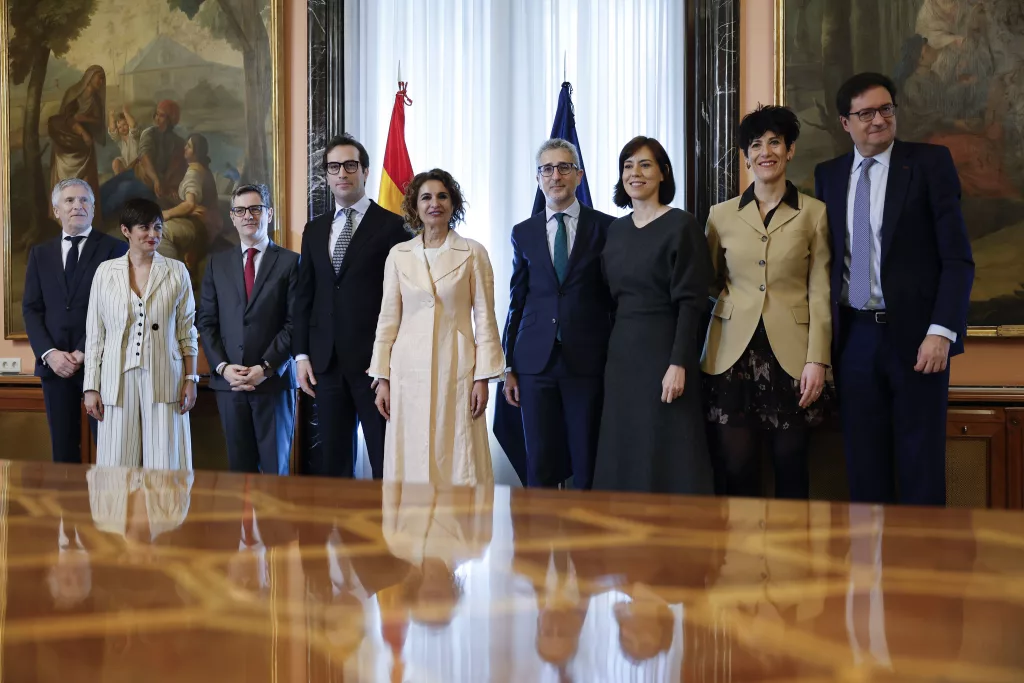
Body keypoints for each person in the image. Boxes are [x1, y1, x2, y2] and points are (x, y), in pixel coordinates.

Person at [814, 73, 974, 505]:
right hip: (855, 339)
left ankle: (924, 552)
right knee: (864, 469)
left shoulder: (929, 164)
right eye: (866, 113)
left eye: (886, 109)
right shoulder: (828, 175)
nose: (879, 120)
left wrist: (941, 332)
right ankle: (869, 553)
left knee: (921, 468)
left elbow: (957, 259)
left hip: (918, 340)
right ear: (845, 122)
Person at [701, 105, 831, 500]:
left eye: (775, 142)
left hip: (792, 357)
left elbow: (820, 291)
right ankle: (739, 543)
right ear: (746, 157)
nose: (765, 152)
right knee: (736, 468)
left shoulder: (814, 213)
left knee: (791, 466)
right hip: (731, 356)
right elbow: (709, 280)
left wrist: (818, 359)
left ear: (790, 150)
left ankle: (792, 543)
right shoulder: (720, 215)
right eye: (755, 145)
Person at [593, 136, 714, 495]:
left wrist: (679, 363)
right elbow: (608, 296)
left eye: (645, 164)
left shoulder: (682, 225)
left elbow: (692, 302)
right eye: (628, 166)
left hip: (665, 351)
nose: (635, 173)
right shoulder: (615, 230)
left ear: (663, 173)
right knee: (624, 443)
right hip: (622, 355)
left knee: (668, 445)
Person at [368, 169, 505, 486]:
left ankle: (459, 519)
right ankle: (413, 519)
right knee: (411, 455)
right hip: (407, 372)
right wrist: (382, 379)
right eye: (426, 197)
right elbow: (387, 320)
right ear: (415, 206)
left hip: (457, 368)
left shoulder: (473, 252)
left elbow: (485, 319)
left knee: (458, 455)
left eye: (442, 196)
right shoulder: (399, 255)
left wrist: (483, 378)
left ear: (453, 203)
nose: (435, 204)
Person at [292, 134, 410, 478]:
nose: (342, 173)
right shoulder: (314, 230)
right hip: (325, 365)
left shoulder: (394, 227)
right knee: (333, 465)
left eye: (349, 165)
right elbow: (304, 296)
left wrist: (391, 362)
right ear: (326, 176)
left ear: (365, 171)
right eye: (334, 167)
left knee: (385, 461)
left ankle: (388, 516)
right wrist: (301, 355)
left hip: (374, 366)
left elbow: (403, 300)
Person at [502, 139, 615, 489]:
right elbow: (517, 300)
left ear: (578, 175)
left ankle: (585, 526)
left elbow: (614, 297)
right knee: (540, 463)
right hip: (534, 362)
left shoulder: (607, 228)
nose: (556, 176)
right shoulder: (523, 232)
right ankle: (540, 525)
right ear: (538, 179)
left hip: (587, 360)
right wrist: (508, 365)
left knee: (587, 461)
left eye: (564, 167)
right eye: (547, 169)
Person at [83, 198, 200, 470]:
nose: (153, 234)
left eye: (157, 227)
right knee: (116, 464)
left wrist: (191, 379)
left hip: (165, 377)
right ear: (126, 230)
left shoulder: (176, 271)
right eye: (144, 227)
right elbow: (95, 335)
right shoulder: (105, 273)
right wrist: (91, 387)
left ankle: (165, 502)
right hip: (116, 379)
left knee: (166, 464)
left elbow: (187, 331)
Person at [23, 179, 128, 464]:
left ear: (93, 209)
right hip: (54, 367)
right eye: (69, 200)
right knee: (63, 453)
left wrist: (83, 352)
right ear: (56, 210)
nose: (77, 206)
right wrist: (50, 354)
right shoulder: (40, 254)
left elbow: (117, 308)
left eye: (84, 200)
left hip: (102, 366)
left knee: (110, 452)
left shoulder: (116, 250)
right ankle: (65, 498)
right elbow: (31, 309)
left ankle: (111, 497)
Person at [197, 183, 299, 475]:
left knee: (275, 472)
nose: (248, 216)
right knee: (239, 474)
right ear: (232, 217)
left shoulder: (291, 262)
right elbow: (207, 321)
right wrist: (223, 367)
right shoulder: (217, 264)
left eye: (255, 209)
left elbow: (295, 322)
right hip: (229, 385)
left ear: (269, 214)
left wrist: (265, 367)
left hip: (273, 383)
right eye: (240, 210)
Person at [48, 65, 107, 205]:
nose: (101, 82)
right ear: (90, 77)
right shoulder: (73, 93)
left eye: (103, 79)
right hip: (67, 147)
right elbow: (67, 117)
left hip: (84, 148)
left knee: (85, 185)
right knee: (65, 186)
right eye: (99, 78)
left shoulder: (95, 100)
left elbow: (98, 121)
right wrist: (82, 131)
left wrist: (84, 119)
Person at [161, 133, 220, 265]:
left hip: (200, 226)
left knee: (159, 230)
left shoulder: (194, 172)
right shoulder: (203, 169)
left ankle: (174, 270)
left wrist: (165, 214)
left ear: (196, 152)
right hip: (204, 223)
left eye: (189, 146)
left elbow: (189, 204)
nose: (185, 148)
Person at [136, 99, 187, 199]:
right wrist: (155, 179)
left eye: (161, 116)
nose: (157, 118)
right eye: (156, 114)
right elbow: (145, 157)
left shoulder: (179, 142)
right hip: (146, 176)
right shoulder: (148, 133)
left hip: (165, 182)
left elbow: (177, 167)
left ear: (170, 120)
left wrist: (171, 186)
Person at [107, 105, 140, 174]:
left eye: (124, 124)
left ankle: (125, 177)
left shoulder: (133, 135)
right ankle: (119, 178)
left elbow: (133, 126)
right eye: (119, 127)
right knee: (116, 162)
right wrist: (111, 116)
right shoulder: (119, 139)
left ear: (128, 124)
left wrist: (126, 113)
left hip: (138, 163)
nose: (122, 128)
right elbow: (112, 131)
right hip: (127, 164)